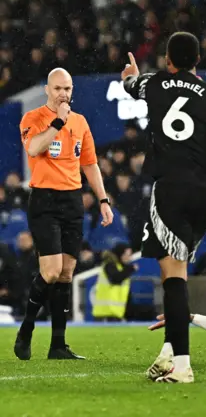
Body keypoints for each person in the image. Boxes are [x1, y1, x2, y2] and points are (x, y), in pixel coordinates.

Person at [121, 32, 206, 383]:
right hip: (205, 193)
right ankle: (169, 351)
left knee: (174, 276)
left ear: (168, 60)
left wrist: (130, 77)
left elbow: (131, 85)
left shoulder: (154, 83)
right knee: (173, 271)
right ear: (198, 60)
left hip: (171, 188)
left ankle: (182, 366)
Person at [14, 68, 113, 361]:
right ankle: (27, 329)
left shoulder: (81, 123)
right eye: (58, 89)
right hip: (44, 200)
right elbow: (34, 148)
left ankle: (58, 345)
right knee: (51, 271)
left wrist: (103, 200)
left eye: (67, 89)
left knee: (67, 274)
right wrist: (58, 122)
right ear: (47, 90)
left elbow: (90, 164)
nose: (63, 94)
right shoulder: (33, 119)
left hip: (72, 201)